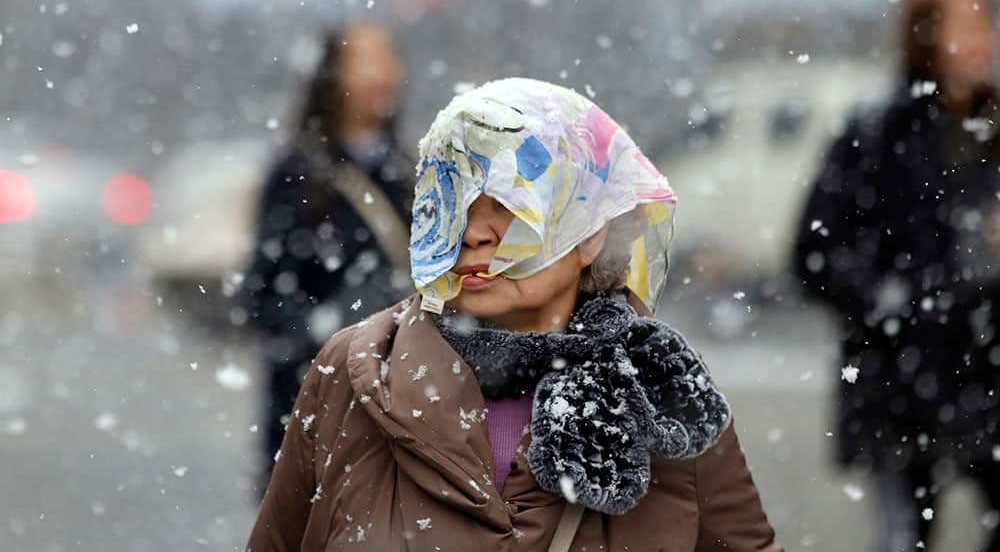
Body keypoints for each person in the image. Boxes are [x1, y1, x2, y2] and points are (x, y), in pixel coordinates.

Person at [247, 78, 782, 551]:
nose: (474, 231)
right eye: (454, 198)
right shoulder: (358, 369)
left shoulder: (656, 384)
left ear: (590, 231)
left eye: (511, 203)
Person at [794, 0, 1000, 551]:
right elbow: (813, 252)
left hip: (987, 375)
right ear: (926, 38)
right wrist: (891, 304)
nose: (980, 42)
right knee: (906, 538)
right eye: (964, 26)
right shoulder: (877, 135)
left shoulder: (996, 131)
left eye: (985, 25)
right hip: (900, 384)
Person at [242, 23, 414, 490]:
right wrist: (329, 349)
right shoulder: (298, 175)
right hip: (318, 410)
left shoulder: (410, 172)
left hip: (400, 410)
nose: (381, 75)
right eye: (363, 61)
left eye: (386, 59)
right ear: (331, 77)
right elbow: (265, 293)